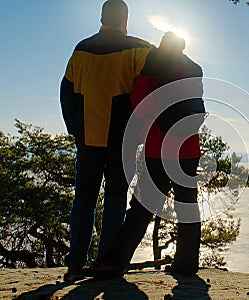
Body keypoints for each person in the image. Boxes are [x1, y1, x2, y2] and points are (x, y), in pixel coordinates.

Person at [84, 32, 205, 278]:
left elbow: (140, 103)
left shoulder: (153, 66)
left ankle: (115, 262)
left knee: (142, 208)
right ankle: (187, 264)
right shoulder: (193, 69)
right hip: (188, 148)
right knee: (188, 206)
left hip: (158, 148)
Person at [60, 0, 153, 282]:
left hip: (87, 138)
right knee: (115, 199)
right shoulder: (140, 49)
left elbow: (66, 92)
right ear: (125, 19)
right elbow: (150, 90)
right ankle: (106, 262)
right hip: (121, 140)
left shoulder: (81, 49)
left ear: (102, 18)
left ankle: (76, 262)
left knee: (84, 199)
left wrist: (75, 129)